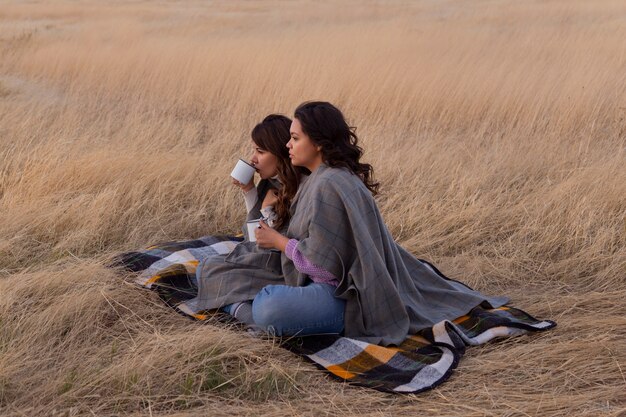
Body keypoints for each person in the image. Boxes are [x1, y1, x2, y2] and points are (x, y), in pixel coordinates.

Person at [253, 101, 509, 346]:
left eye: (295, 138)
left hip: (347, 297)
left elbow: (327, 271)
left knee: (267, 307)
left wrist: (280, 242)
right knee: (253, 286)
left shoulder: (329, 184)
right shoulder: (325, 177)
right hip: (333, 289)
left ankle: (321, 322)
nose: (288, 145)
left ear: (318, 143)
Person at [177, 114, 307, 322]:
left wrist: (266, 210)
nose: (253, 159)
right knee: (208, 267)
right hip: (265, 258)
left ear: (281, 153)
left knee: (213, 272)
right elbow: (251, 236)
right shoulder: (270, 183)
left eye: (260, 151)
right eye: (254, 150)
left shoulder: (301, 190)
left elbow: (268, 242)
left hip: (285, 267)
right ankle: (237, 305)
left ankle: (247, 315)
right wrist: (249, 190)